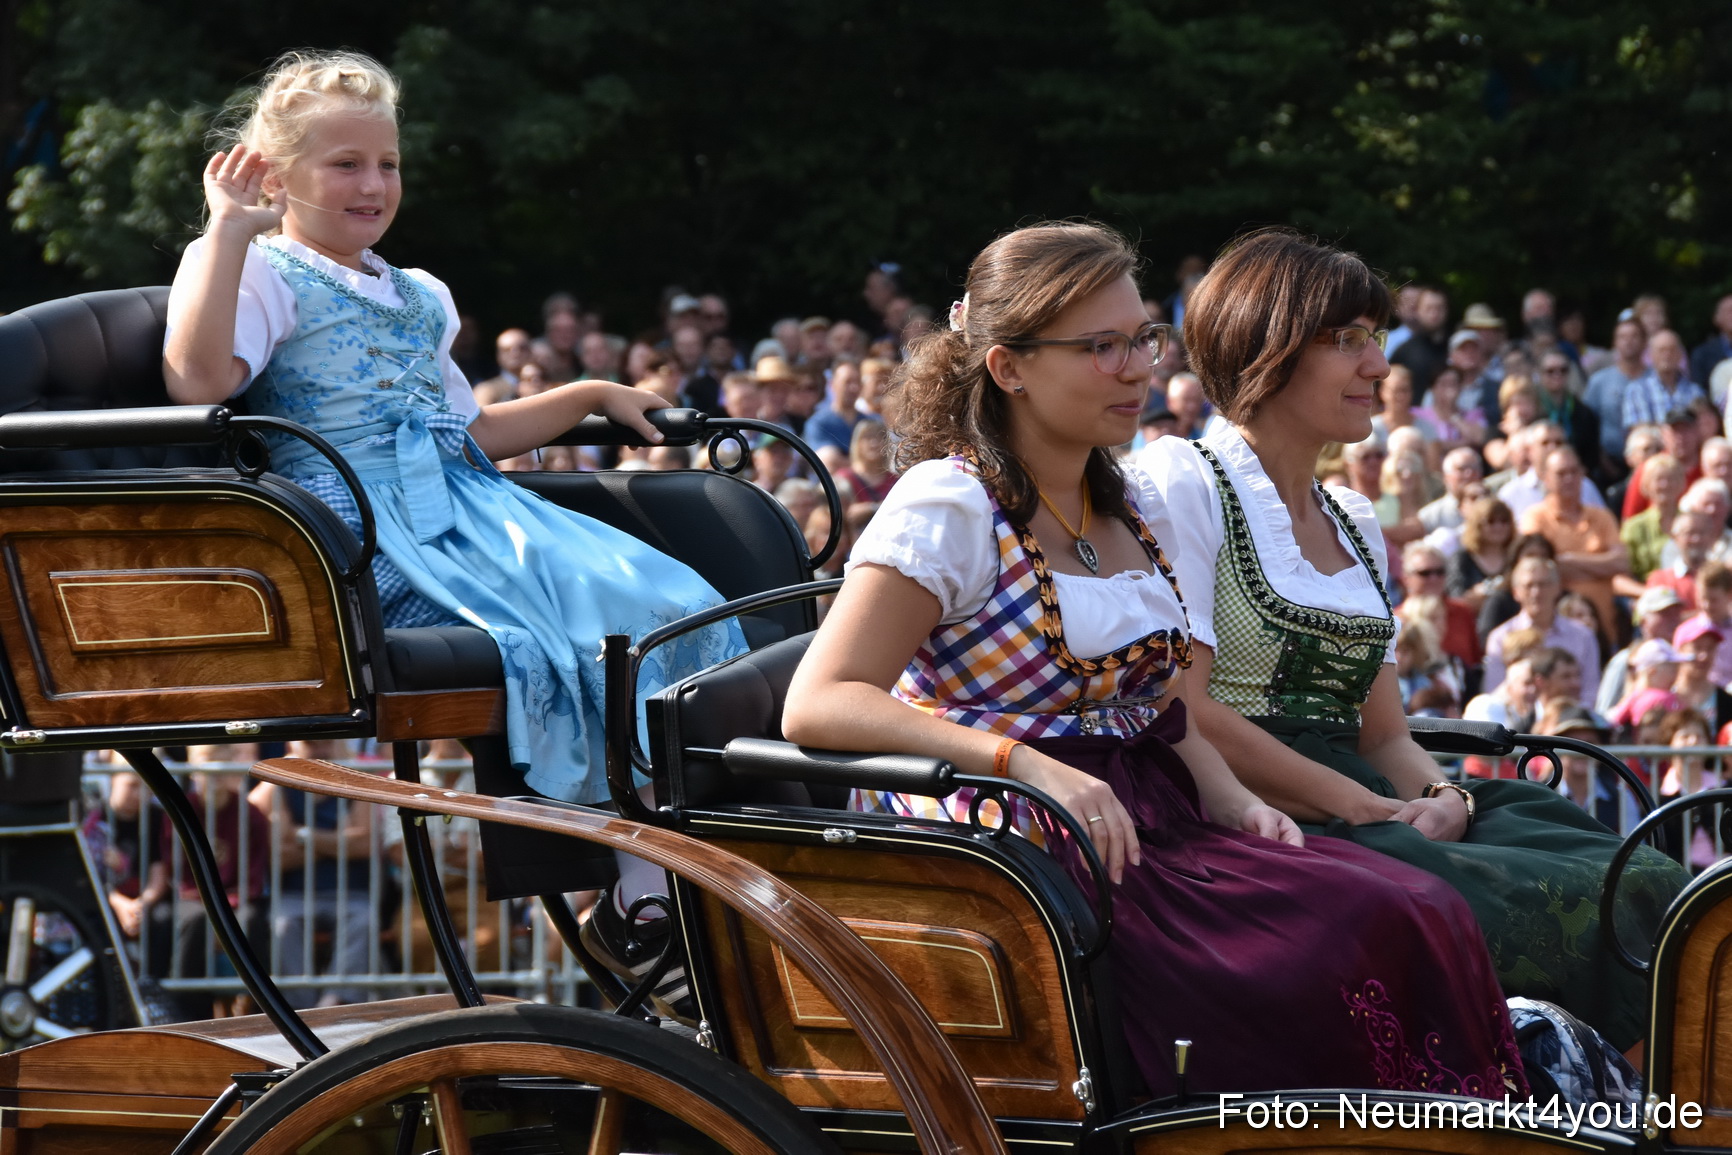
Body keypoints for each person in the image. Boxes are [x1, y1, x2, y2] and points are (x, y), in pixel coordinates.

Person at [784, 221, 1524, 1099]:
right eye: (1101, 346)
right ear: (1009, 367)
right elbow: (820, 701)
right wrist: (1029, 764)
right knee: (1320, 946)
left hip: (1151, 811)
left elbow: (1166, 709)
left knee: (1416, 902)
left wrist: (1240, 801)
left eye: (1141, 338)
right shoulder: (949, 504)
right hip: (1014, 837)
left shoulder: (1123, 501)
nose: (1138, 368)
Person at [158, 51, 748, 994]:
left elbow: (468, 431)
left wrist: (592, 392)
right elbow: (197, 384)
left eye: (387, 163)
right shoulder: (256, 268)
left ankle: (655, 882)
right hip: (358, 529)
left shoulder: (417, 291)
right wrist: (227, 234)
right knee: (583, 637)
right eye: (344, 164)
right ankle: (641, 898)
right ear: (274, 174)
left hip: (468, 503)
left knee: (678, 604)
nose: (374, 184)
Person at [1141, 228, 1685, 1053]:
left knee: (1646, 877)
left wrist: (1443, 800)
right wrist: (1360, 805)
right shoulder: (1186, 483)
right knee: (1518, 904)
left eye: (1377, 338)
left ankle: (1649, 1107)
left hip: (1369, 795)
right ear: (1268, 347)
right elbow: (1191, 711)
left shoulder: (1354, 520)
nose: (1380, 366)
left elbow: (1387, 732)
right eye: (1349, 340)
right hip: (1264, 813)